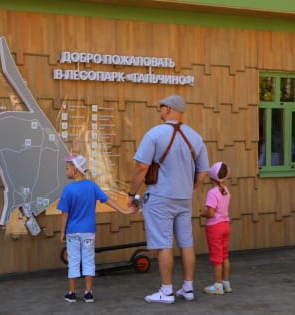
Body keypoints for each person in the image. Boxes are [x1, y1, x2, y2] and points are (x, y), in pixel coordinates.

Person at [127, 95, 209, 304]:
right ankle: (188, 288)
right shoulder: (196, 137)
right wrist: (189, 187)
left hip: (161, 197)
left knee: (164, 244)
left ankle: (166, 291)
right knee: (186, 243)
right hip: (184, 198)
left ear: (169, 110)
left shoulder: (155, 134)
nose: (159, 110)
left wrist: (132, 193)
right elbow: (202, 173)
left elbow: (141, 167)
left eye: (161, 107)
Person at [58, 154, 135, 303]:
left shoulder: (68, 190)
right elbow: (108, 200)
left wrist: (62, 231)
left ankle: (72, 293)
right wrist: (124, 211)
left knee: (73, 261)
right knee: (88, 260)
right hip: (89, 231)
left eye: (67, 168)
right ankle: (88, 293)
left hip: (72, 231)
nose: (66, 171)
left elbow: (64, 214)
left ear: (75, 170)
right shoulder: (92, 186)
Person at [200, 161, 233, 295]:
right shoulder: (226, 190)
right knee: (225, 255)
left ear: (211, 176)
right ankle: (226, 283)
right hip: (226, 225)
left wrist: (203, 213)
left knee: (216, 257)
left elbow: (211, 213)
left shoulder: (212, 193)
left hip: (215, 228)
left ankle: (218, 285)